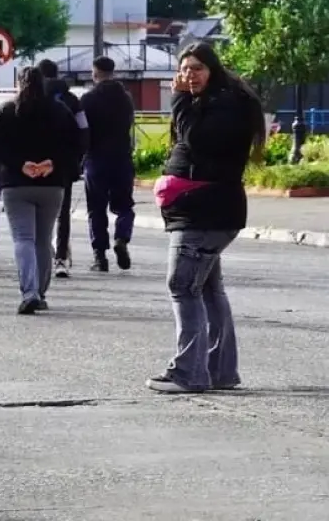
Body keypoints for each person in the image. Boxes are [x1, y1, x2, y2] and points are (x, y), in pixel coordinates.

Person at [146, 42, 265, 394]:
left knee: (181, 286)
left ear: (212, 70)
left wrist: (179, 100)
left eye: (196, 68)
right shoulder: (216, 101)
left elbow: (196, 140)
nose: (188, 76)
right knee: (209, 289)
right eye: (184, 69)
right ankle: (220, 370)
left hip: (206, 213)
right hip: (204, 210)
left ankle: (189, 373)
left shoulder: (225, 104)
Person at [0, 66, 78, 314]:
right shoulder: (59, 110)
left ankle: (30, 292)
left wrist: (20, 164)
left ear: (19, 84)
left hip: (16, 184)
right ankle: (41, 292)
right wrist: (52, 163)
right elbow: (77, 143)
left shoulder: (7, 110)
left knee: (23, 238)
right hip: (52, 183)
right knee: (42, 239)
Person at [80, 55, 137, 272]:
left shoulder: (88, 99)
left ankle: (99, 256)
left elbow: (83, 130)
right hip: (122, 157)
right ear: (113, 72)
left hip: (96, 159)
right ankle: (121, 237)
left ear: (95, 73)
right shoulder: (126, 98)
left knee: (96, 208)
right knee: (124, 205)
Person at [36, 59, 89, 279]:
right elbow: (84, 130)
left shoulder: (34, 99)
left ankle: (41, 253)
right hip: (64, 164)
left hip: (35, 165)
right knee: (62, 212)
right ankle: (60, 258)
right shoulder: (72, 100)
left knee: (38, 211)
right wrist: (78, 158)